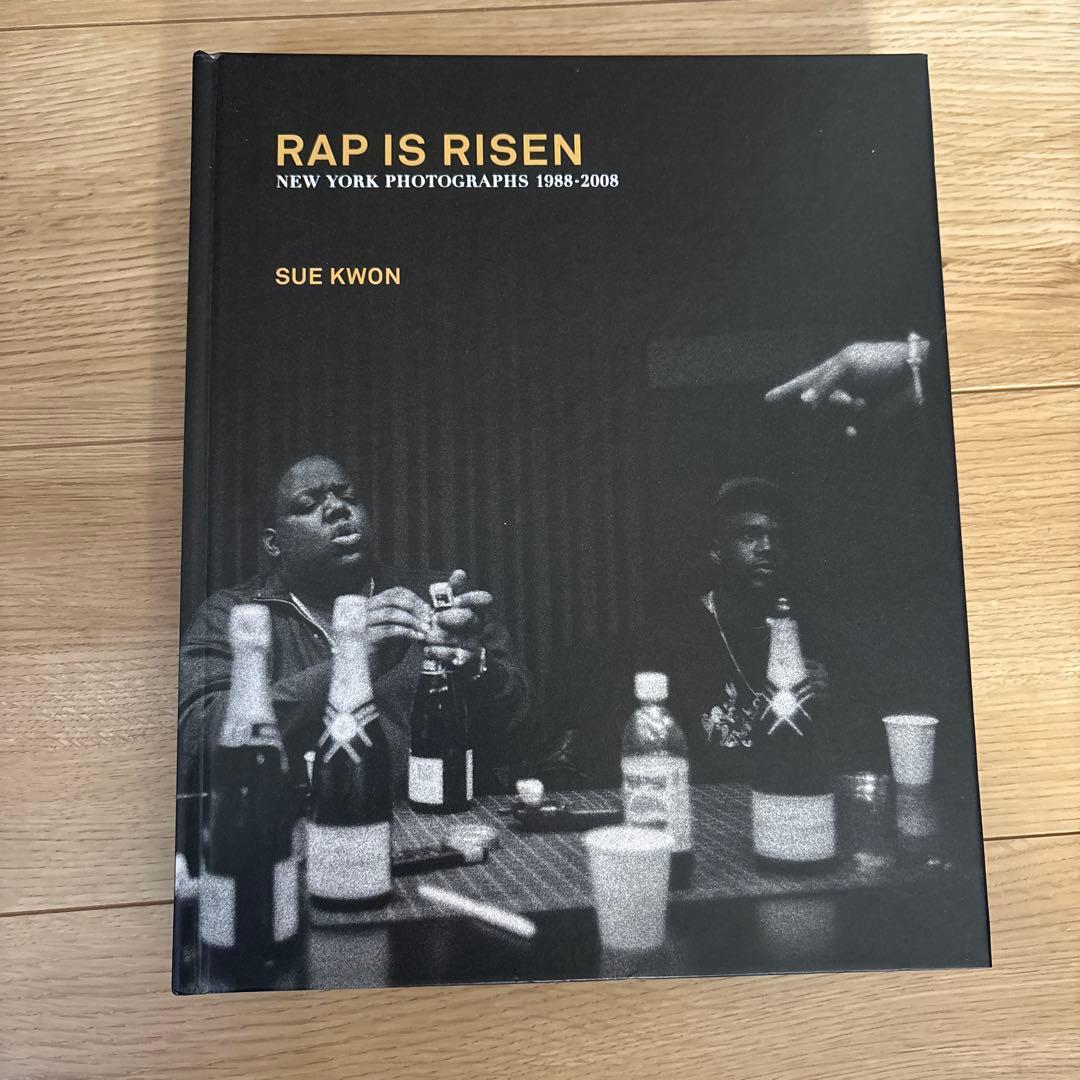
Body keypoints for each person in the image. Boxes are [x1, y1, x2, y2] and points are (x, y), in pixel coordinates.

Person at [176, 454, 529, 806]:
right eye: (309, 504)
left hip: (439, 820)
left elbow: (528, 728)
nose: (337, 508)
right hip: (298, 825)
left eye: (349, 497)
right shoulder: (233, 614)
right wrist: (351, 662)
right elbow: (196, 738)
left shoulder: (436, 598)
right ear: (274, 543)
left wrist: (477, 669)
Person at [534, 477, 828, 788]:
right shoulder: (670, 637)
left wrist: (828, 703)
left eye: (776, 537)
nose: (767, 548)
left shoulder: (803, 633)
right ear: (716, 549)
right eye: (749, 536)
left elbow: (823, 757)